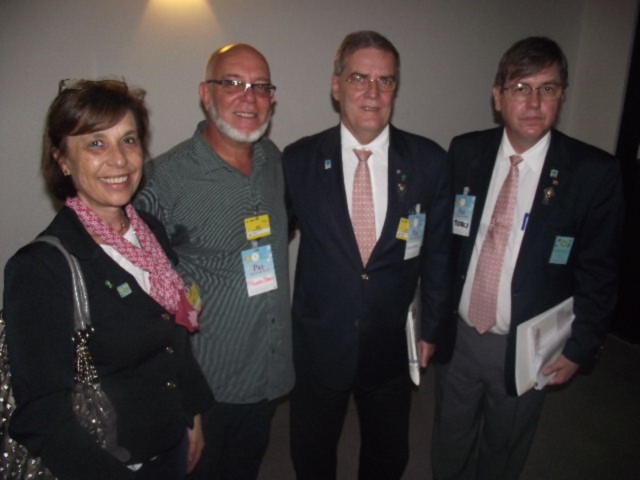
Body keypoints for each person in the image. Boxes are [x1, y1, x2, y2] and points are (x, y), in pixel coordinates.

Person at [431, 36, 624, 480]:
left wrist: (579, 347)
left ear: (562, 96)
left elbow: (600, 270)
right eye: (521, 87)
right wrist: (430, 321)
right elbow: (444, 245)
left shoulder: (593, 172)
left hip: (527, 345)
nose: (534, 102)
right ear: (498, 97)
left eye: (548, 88)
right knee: (449, 437)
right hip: (460, 335)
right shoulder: (466, 151)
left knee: (505, 446)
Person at [3, 79, 215, 479]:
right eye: (96, 143)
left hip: (171, 440)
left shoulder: (149, 231)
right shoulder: (40, 269)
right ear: (63, 160)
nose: (119, 159)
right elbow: (42, 416)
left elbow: (174, 333)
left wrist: (193, 411)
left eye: (128, 140)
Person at [282, 31, 452, 480]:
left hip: (390, 341)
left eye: (385, 80)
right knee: (312, 452)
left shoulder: (429, 161)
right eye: (359, 78)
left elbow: (438, 254)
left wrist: (431, 327)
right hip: (319, 343)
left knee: (388, 453)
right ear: (336, 85)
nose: (372, 92)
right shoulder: (298, 160)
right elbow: (269, 241)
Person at [134, 44, 293, 480]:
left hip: (267, 370)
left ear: (273, 98)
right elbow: (143, 299)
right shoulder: (163, 180)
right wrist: (181, 398)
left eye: (260, 86)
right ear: (206, 93)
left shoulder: (274, 161)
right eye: (233, 83)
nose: (249, 97)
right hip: (206, 385)